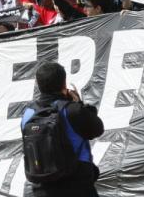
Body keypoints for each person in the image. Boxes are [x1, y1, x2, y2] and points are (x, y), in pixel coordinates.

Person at [20, 62, 104, 197]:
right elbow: (97, 129)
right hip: (78, 188)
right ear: (64, 84)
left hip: (41, 190)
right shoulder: (72, 110)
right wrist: (79, 104)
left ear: (38, 84)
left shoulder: (28, 114)